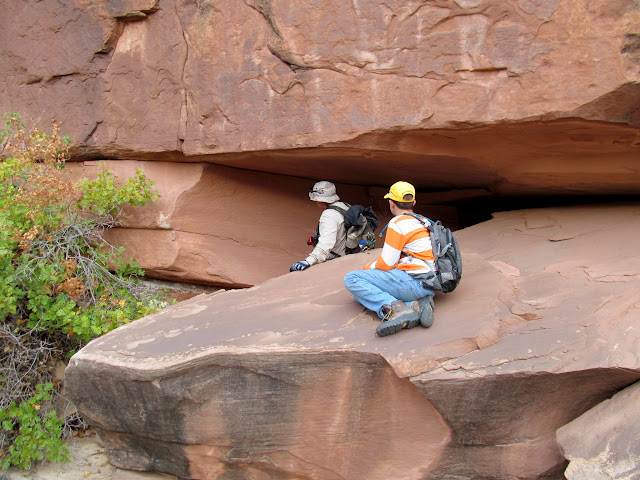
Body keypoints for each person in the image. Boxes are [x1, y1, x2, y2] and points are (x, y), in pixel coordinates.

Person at [344, 181, 436, 337]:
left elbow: (386, 264)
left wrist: (368, 267)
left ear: (391, 203)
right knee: (366, 290)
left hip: (415, 283)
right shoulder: (422, 220)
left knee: (353, 279)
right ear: (413, 202)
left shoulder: (398, 223)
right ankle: (416, 303)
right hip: (432, 282)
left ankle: (397, 310)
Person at [290, 181, 349, 272]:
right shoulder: (345, 206)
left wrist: (309, 261)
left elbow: (327, 242)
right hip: (350, 254)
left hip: (337, 260)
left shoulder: (329, 215)